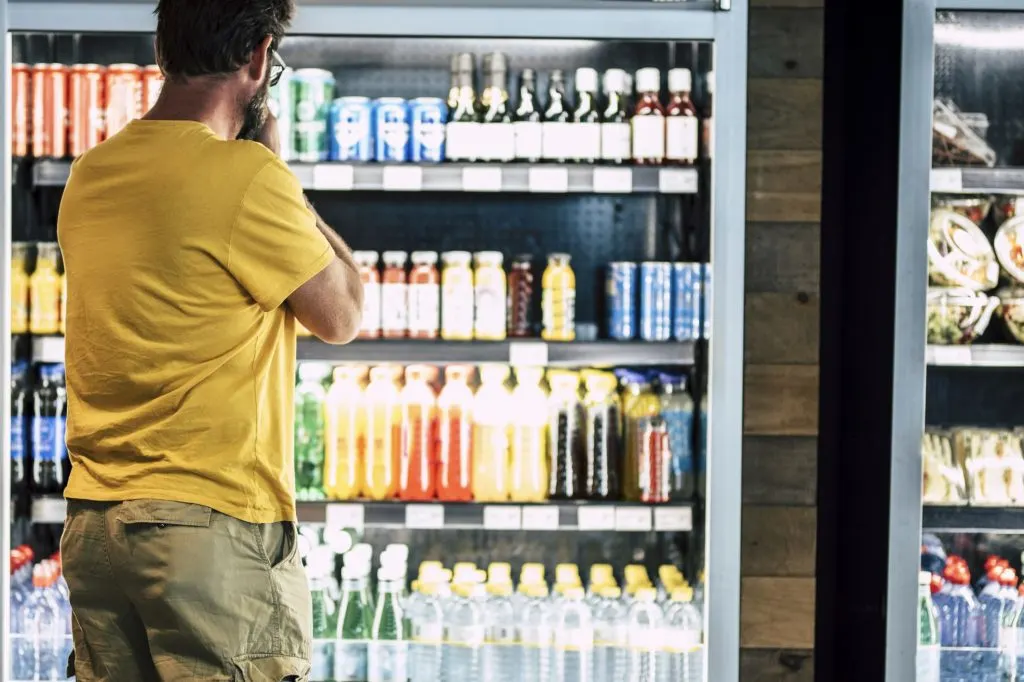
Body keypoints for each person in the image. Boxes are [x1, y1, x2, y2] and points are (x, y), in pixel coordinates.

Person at [55, 1, 363, 680]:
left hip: (95, 530)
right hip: (206, 532)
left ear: (164, 51)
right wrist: (284, 182)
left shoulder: (90, 173)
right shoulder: (248, 178)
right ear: (260, 57)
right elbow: (342, 314)